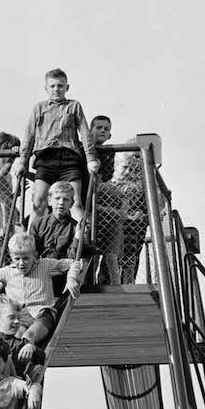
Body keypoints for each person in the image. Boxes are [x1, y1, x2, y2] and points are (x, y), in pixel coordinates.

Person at [12, 68, 99, 222]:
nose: (56, 89)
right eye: (52, 86)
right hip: (46, 158)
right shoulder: (39, 108)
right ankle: (30, 241)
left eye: (60, 85)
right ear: (46, 88)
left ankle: (81, 240)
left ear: (67, 87)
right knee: (39, 202)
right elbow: (29, 136)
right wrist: (22, 161)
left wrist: (91, 158)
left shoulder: (74, 106)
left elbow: (84, 133)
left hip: (69, 158)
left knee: (75, 202)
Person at [0, 231, 83, 357]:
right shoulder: (7, 272)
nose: (21, 263)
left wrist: (71, 279)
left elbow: (74, 263)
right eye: (17, 259)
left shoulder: (44, 265)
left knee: (27, 336)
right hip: (19, 317)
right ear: (11, 256)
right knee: (13, 336)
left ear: (35, 255)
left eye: (26, 258)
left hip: (42, 314)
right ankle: (13, 365)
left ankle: (29, 349)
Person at [89, 115, 123, 286]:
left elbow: (104, 180)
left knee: (111, 251)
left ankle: (113, 284)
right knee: (90, 249)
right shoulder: (85, 149)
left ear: (109, 135)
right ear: (90, 130)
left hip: (103, 208)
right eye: (98, 127)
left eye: (106, 129)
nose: (102, 131)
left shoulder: (108, 153)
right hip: (87, 202)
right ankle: (89, 282)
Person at [112, 150, 148, 284]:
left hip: (135, 227)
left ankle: (129, 281)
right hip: (117, 226)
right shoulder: (114, 185)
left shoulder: (140, 185)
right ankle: (109, 281)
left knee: (132, 256)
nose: (128, 171)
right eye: (125, 167)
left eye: (132, 169)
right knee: (113, 257)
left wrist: (142, 215)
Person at [28, 181, 81, 260]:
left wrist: (77, 237)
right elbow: (31, 252)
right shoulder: (37, 224)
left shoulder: (75, 228)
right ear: (49, 200)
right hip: (40, 267)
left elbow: (73, 257)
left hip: (63, 268)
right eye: (57, 198)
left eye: (66, 199)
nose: (61, 203)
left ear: (72, 203)